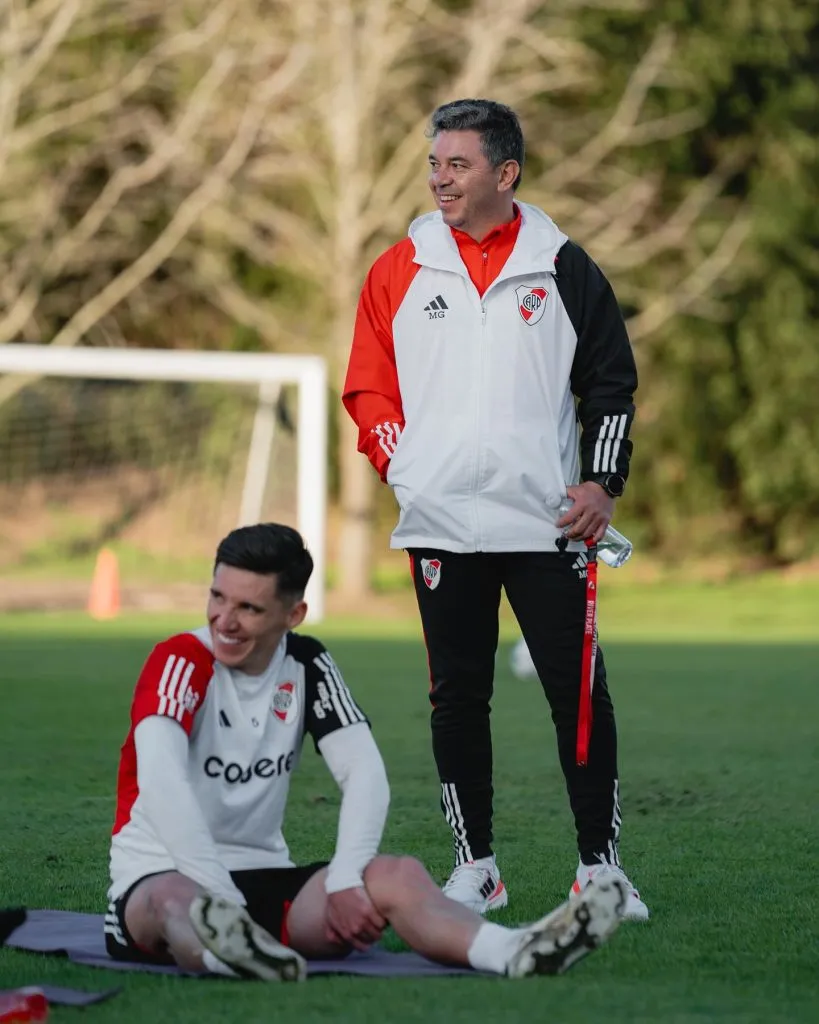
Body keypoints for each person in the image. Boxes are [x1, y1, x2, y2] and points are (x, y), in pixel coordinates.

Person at [342, 99, 649, 920]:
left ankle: (601, 872)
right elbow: (369, 385)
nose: (439, 178)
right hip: (440, 525)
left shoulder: (564, 267)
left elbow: (611, 383)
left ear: (504, 174)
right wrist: (407, 466)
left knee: (577, 694)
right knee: (455, 698)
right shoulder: (398, 266)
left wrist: (600, 482)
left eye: (458, 165)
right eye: (435, 164)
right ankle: (475, 867)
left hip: (547, 525)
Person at [105, 522, 626, 982]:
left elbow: (364, 772)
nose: (225, 620)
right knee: (180, 902)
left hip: (262, 876)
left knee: (395, 875)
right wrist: (222, 897)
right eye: (218, 598)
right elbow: (162, 782)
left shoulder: (307, 665)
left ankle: (513, 950)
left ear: (294, 614)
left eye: (248, 607)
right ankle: (232, 954)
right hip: (162, 879)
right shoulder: (180, 659)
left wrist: (347, 879)